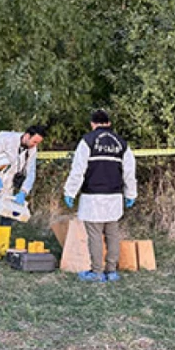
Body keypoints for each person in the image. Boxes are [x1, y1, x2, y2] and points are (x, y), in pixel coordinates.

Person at [63, 109, 138, 282]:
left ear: (92, 123)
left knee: (95, 235)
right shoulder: (121, 144)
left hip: (93, 197)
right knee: (112, 233)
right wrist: (131, 193)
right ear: (109, 123)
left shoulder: (87, 141)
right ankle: (111, 271)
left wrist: (70, 192)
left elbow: (78, 170)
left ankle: (96, 272)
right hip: (115, 197)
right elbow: (129, 172)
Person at [0, 125, 46, 261]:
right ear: (26, 135)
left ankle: (3, 247)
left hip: (7, 183)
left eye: (37, 143)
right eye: (34, 141)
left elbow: (31, 172)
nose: (35, 145)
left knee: (7, 213)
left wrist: (24, 191)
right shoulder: (4, 138)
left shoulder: (31, 149)